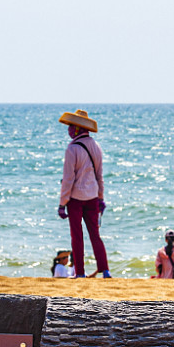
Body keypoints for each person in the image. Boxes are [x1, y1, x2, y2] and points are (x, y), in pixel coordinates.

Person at [57, 110, 110, 278]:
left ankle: (80, 272)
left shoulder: (72, 149)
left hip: (75, 198)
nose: (69, 130)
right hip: (93, 196)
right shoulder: (96, 147)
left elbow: (68, 179)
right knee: (95, 235)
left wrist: (62, 203)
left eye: (71, 126)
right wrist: (101, 198)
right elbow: (99, 176)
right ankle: (105, 270)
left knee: (77, 236)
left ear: (79, 128)